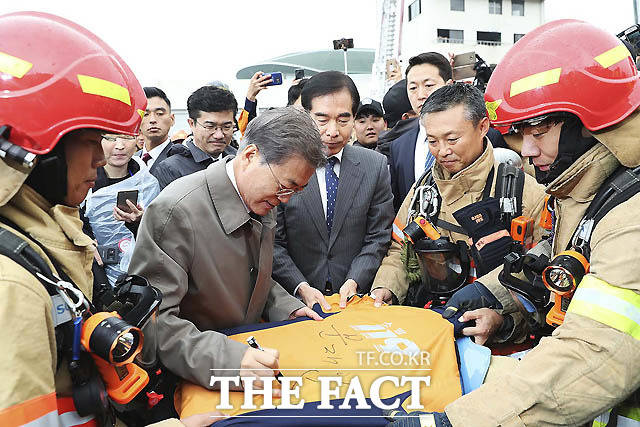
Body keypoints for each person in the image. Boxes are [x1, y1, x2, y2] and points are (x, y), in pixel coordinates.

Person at [390, 19, 640, 426]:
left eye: (540, 131)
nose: (527, 149)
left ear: (589, 123)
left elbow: (593, 355)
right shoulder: (580, 191)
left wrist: (454, 422)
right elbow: (555, 261)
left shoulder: (630, 213)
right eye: (520, 133)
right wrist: (491, 296)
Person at [0, 11, 220, 427]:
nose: (102, 157)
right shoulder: (12, 286)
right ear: (34, 153)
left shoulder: (37, 243)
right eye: (89, 142)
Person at [129, 107, 326, 391]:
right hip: (195, 379)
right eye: (285, 187)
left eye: (296, 192)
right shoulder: (177, 211)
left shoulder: (260, 198)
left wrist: (287, 308)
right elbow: (155, 325)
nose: (285, 200)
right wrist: (230, 362)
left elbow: (251, 274)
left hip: (245, 353)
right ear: (250, 156)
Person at [371, 83, 546, 346]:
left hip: (497, 344)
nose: (442, 151)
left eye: (452, 139)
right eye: (432, 141)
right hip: (430, 329)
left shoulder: (526, 194)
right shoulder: (422, 191)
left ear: (483, 127)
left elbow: (540, 280)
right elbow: (399, 249)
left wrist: (502, 320)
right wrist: (386, 289)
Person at [272, 71, 394, 310]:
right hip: (295, 301)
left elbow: (378, 235)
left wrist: (355, 279)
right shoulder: (282, 166)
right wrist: (300, 286)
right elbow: (273, 242)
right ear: (306, 116)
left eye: (343, 119)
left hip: (356, 300)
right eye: (322, 119)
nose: (333, 131)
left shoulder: (374, 165)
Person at [82, 133, 160, 285]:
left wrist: (140, 222)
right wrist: (85, 240)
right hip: (93, 274)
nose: (119, 145)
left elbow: (159, 236)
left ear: (138, 138)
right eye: (111, 138)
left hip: (140, 275)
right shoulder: (83, 180)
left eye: (127, 137)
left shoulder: (148, 183)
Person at [151, 85, 238, 190]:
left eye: (226, 127)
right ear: (192, 124)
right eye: (210, 126)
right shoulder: (171, 169)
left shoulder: (239, 161)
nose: (219, 135)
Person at [138, 86, 175, 172]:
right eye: (145, 114)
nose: (152, 120)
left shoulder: (182, 161)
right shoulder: (132, 160)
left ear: (172, 119)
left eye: (159, 113)